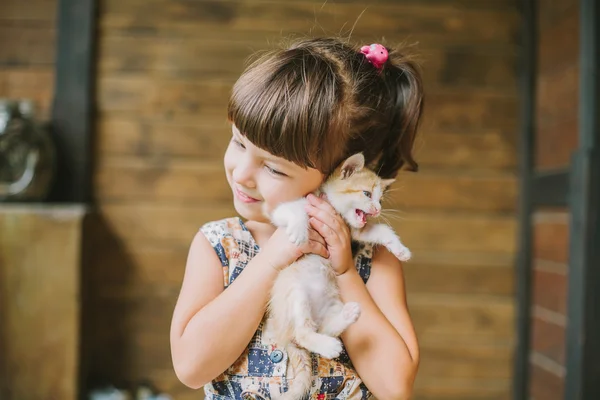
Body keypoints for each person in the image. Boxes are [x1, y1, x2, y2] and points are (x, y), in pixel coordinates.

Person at [170, 37, 423, 400]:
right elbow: (191, 368)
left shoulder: (371, 260)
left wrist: (345, 272)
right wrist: (274, 258)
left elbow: (396, 388)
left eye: (273, 168)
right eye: (239, 142)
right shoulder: (220, 246)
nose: (241, 173)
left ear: (342, 174)